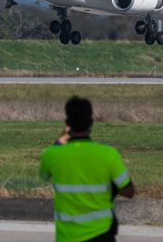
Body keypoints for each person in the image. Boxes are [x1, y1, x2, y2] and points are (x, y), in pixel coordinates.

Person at [39, 96, 135, 242]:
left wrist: (60, 139)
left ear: (67, 123)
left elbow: (43, 174)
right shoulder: (108, 154)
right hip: (101, 234)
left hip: (67, 237)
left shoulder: (52, 154)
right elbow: (129, 191)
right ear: (91, 123)